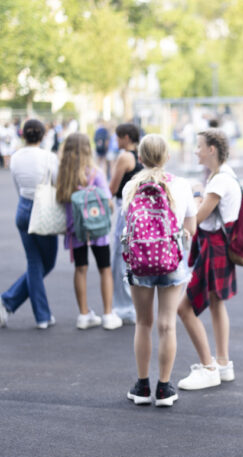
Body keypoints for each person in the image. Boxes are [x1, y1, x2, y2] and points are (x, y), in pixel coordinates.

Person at [121, 134, 198, 407]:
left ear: (140, 158)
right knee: (167, 324)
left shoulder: (131, 186)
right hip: (171, 260)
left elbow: (127, 226)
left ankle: (142, 386)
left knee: (143, 323)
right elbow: (190, 229)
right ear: (167, 157)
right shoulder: (181, 186)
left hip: (139, 260)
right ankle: (164, 388)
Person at [176, 129, 242, 390]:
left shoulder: (218, 182)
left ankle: (208, 366)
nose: (196, 150)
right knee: (216, 303)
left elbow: (197, 218)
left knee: (184, 308)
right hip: (219, 247)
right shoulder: (224, 175)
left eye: (199, 146)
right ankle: (222, 363)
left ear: (212, 149)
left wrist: (194, 193)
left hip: (212, 248)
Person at [0, 119, 59, 329]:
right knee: (47, 262)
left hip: (23, 207)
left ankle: (19, 305)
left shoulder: (15, 157)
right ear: (42, 136)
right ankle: (21, 305)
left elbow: (16, 184)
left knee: (34, 262)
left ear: (23, 135)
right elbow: (56, 183)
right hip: (44, 208)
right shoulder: (49, 157)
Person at [56, 133, 122, 330]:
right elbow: (108, 201)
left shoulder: (63, 174)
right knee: (105, 269)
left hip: (76, 229)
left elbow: (60, 199)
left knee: (80, 269)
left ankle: (84, 314)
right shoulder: (95, 173)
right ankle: (108, 314)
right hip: (98, 230)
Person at [107, 123, 143, 324]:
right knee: (132, 258)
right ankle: (131, 305)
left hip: (125, 208)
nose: (117, 141)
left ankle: (124, 307)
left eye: (119, 137)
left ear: (127, 137)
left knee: (120, 260)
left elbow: (112, 188)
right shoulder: (141, 155)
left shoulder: (124, 157)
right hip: (140, 209)